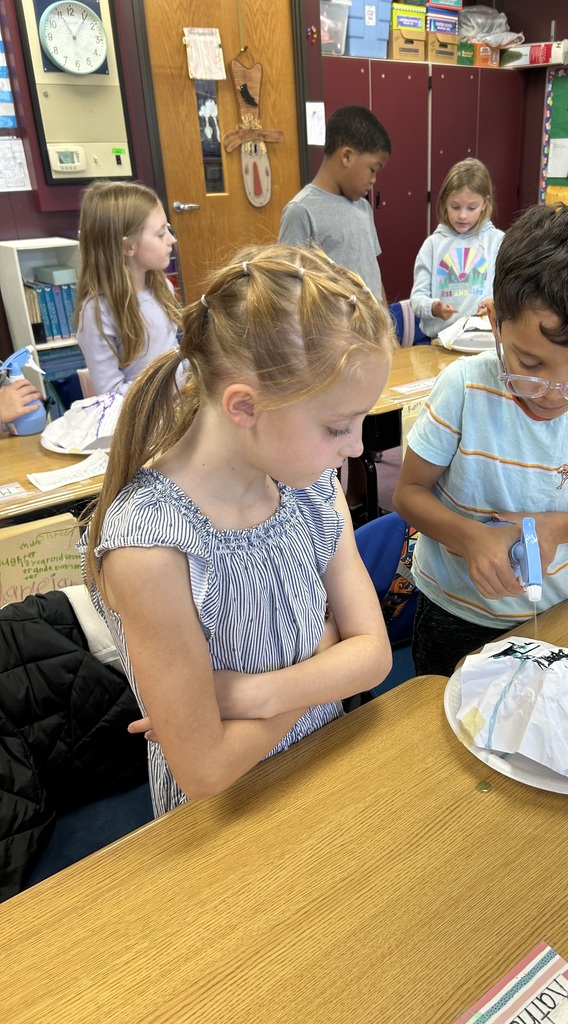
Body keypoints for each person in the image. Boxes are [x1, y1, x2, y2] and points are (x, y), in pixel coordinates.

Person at [80, 244, 398, 817]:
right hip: (227, 818)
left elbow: (373, 656)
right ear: (244, 407)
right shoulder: (151, 546)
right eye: (337, 427)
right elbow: (204, 769)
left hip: (326, 767)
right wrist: (325, 660)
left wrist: (247, 694)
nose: (356, 447)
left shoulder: (312, 489)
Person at [393, 202, 568, 678]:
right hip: (454, 609)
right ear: (495, 321)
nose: (553, 391)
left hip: (554, 607)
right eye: (529, 364)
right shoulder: (465, 388)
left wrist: (556, 527)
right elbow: (408, 494)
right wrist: (469, 537)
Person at [75, 180, 181, 396]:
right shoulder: (97, 312)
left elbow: (174, 359)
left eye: (168, 229)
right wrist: (169, 388)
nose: (172, 239)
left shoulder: (163, 289)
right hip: (142, 418)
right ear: (128, 246)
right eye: (161, 234)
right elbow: (111, 393)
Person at [278, 104, 391, 303]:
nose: (374, 180)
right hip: (335, 332)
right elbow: (286, 289)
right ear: (347, 156)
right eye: (373, 170)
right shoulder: (301, 212)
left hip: (373, 330)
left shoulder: (363, 208)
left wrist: (387, 324)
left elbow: (374, 273)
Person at [410, 158, 504, 340]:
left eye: (471, 207)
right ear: (445, 202)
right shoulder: (432, 245)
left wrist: (495, 304)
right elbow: (418, 298)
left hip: (485, 341)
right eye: (455, 207)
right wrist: (433, 308)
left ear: (485, 203)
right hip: (439, 342)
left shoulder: (497, 241)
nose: (462, 215)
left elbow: (511, 294)